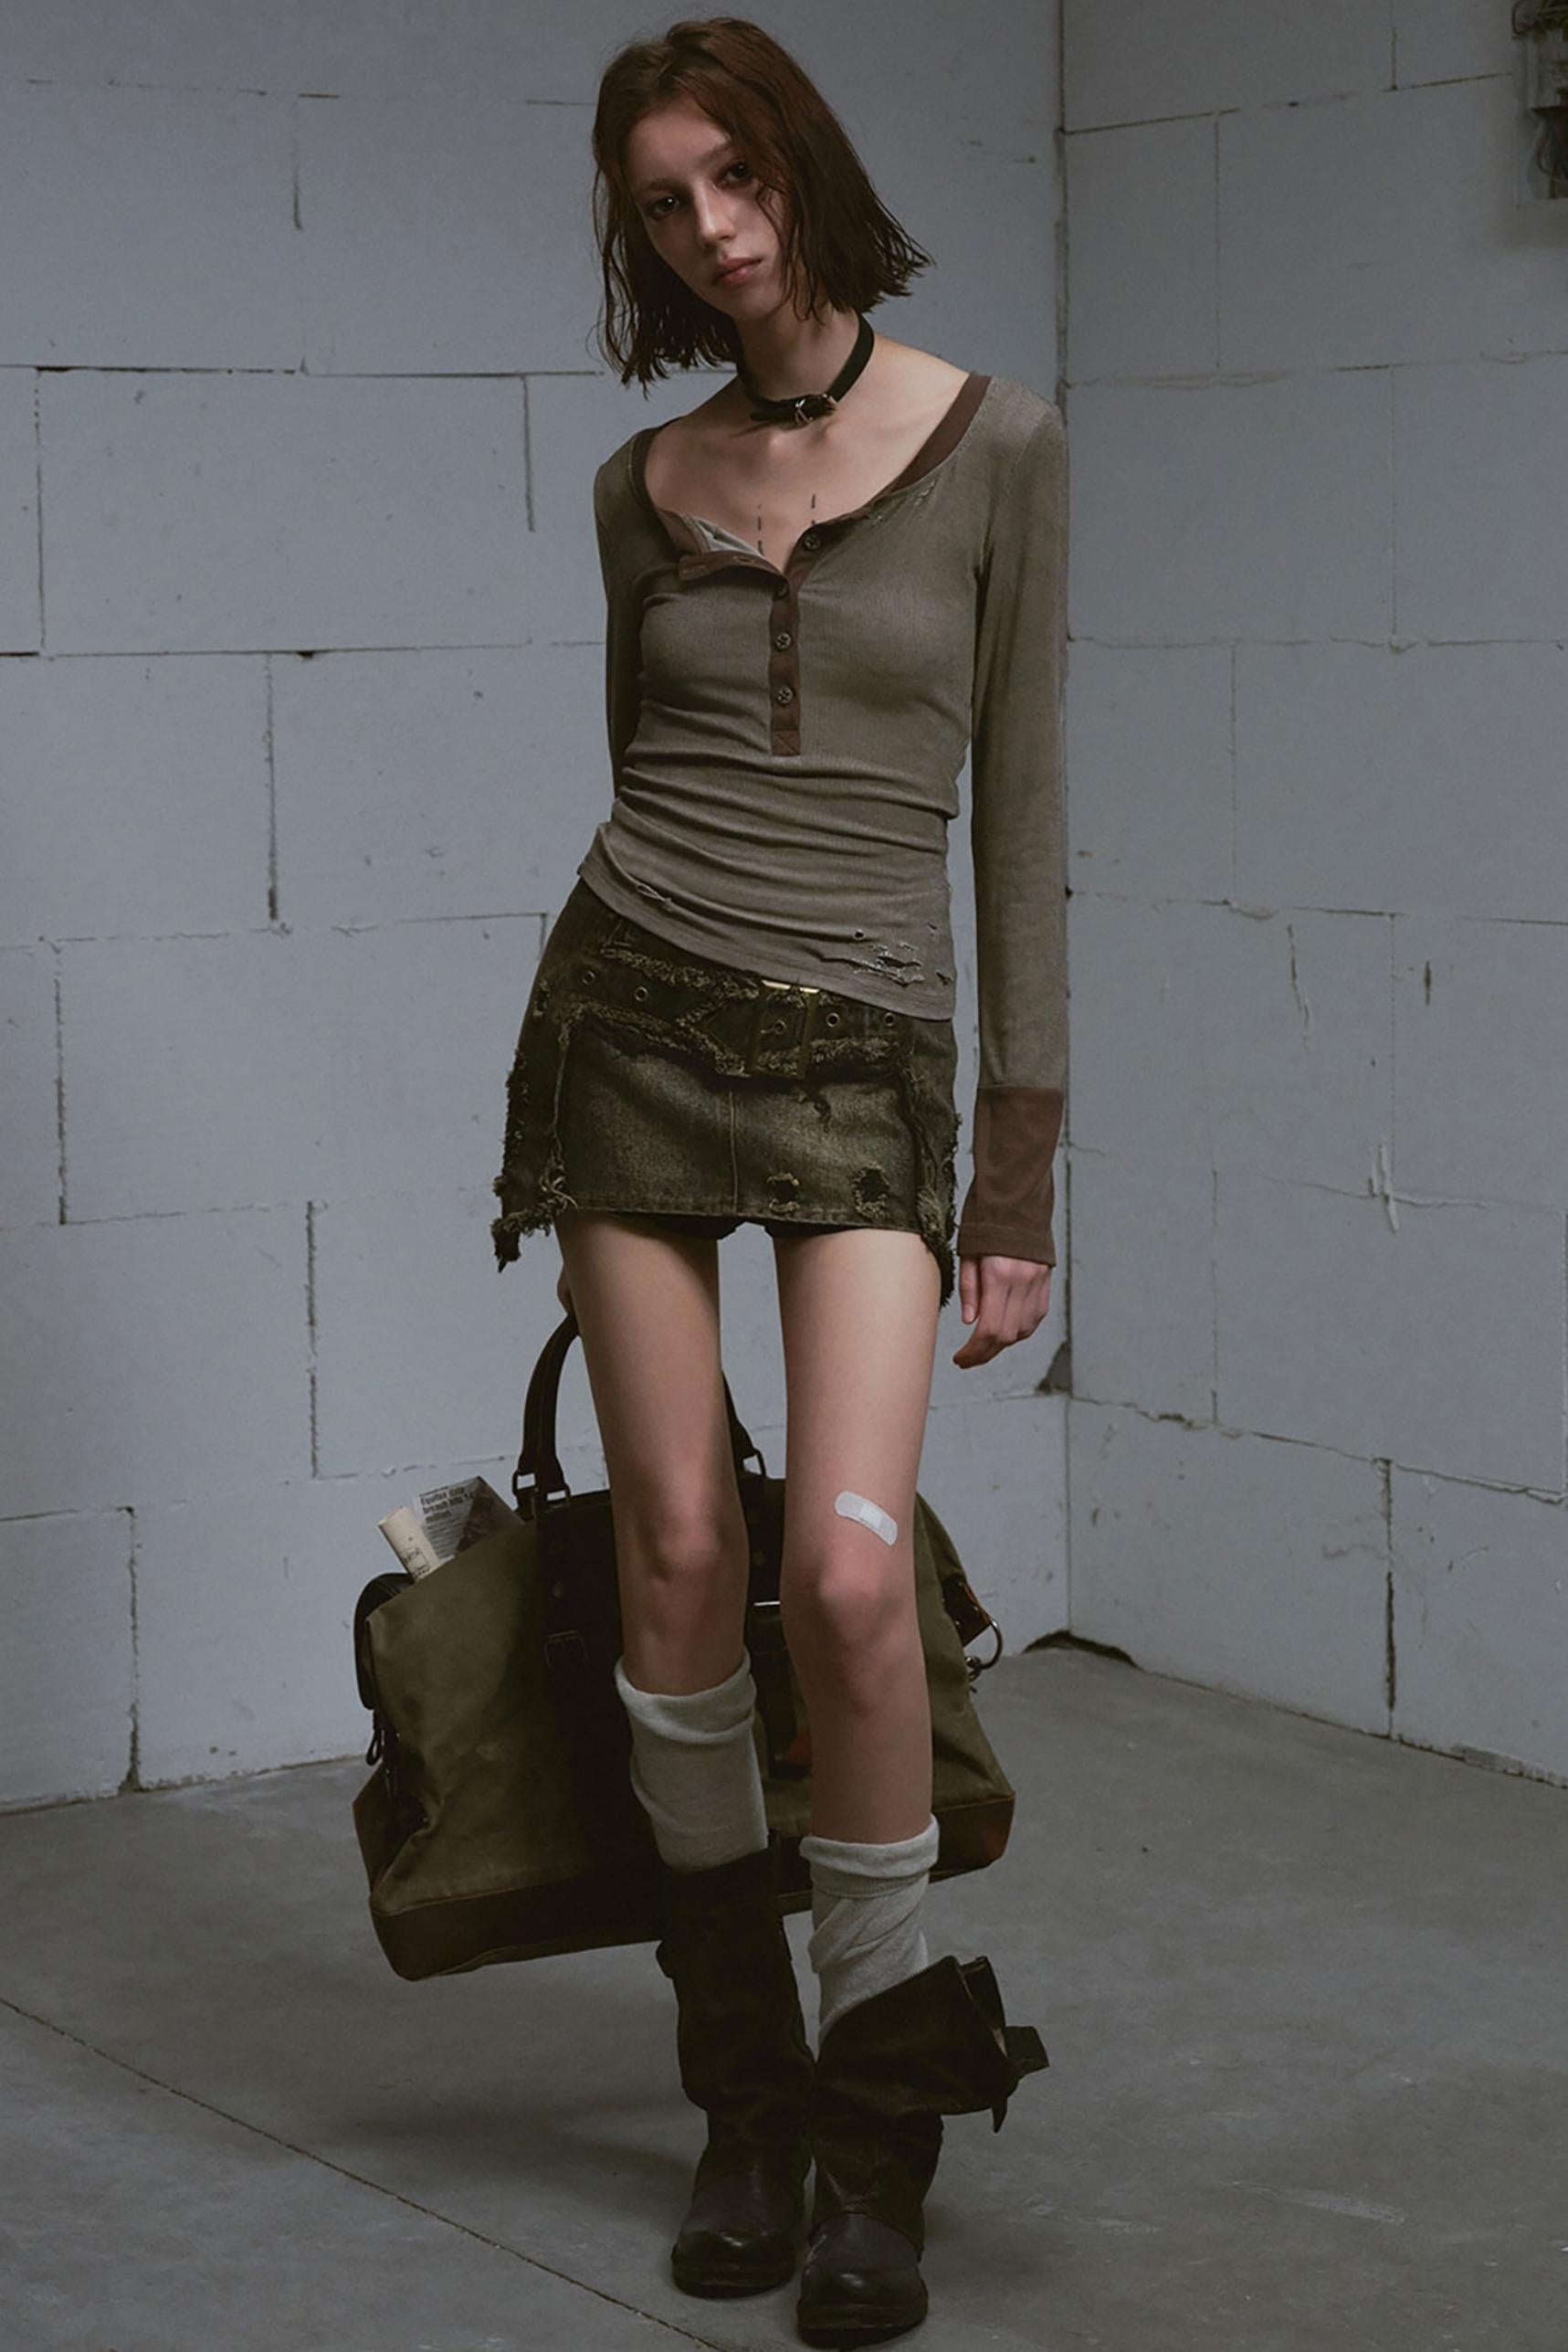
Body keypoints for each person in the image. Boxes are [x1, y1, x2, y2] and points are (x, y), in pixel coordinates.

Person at [489, 17, 1066, 2345]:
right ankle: (745, 2094)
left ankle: (881, 2112)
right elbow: (644, 762)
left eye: (735, 175)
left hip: (864, 1060)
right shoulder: (641, 484)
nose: (712, 230)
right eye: (663, 202)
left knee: (840, 1573)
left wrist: (1013, 1176)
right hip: (630, 1021)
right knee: (676, 1556)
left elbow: (1019, 821)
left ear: (802, 165)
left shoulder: (999, 443)